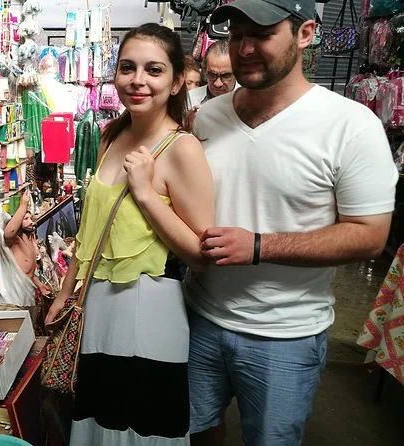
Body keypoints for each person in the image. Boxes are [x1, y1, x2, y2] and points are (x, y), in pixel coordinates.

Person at [187, 1, 399, 445]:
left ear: (305, 34)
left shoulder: (350, 126)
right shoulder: (207, 116)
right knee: (197, 433)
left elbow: (369, 235)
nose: (244, 48)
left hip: (284, 336)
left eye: (262, 34)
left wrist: (259, 246)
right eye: (236, 35)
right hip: (199, 317)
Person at [45, 23, 215, 445]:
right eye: (128, 68)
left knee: (138, 427)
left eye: (154, 70)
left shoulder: (182, 148)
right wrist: (65, 293)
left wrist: (145, 193)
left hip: (149, 308)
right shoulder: (112, 135)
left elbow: (201, 253)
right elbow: (90, 229)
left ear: (176, 82)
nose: (138, 80)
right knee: (99, 418)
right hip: (98, 304)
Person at [187, 39, 236, 108]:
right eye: (212, 75)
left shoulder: (248, 100)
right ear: (204, 70)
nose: (217, 84)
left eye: (225, 76)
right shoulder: (190, 99)